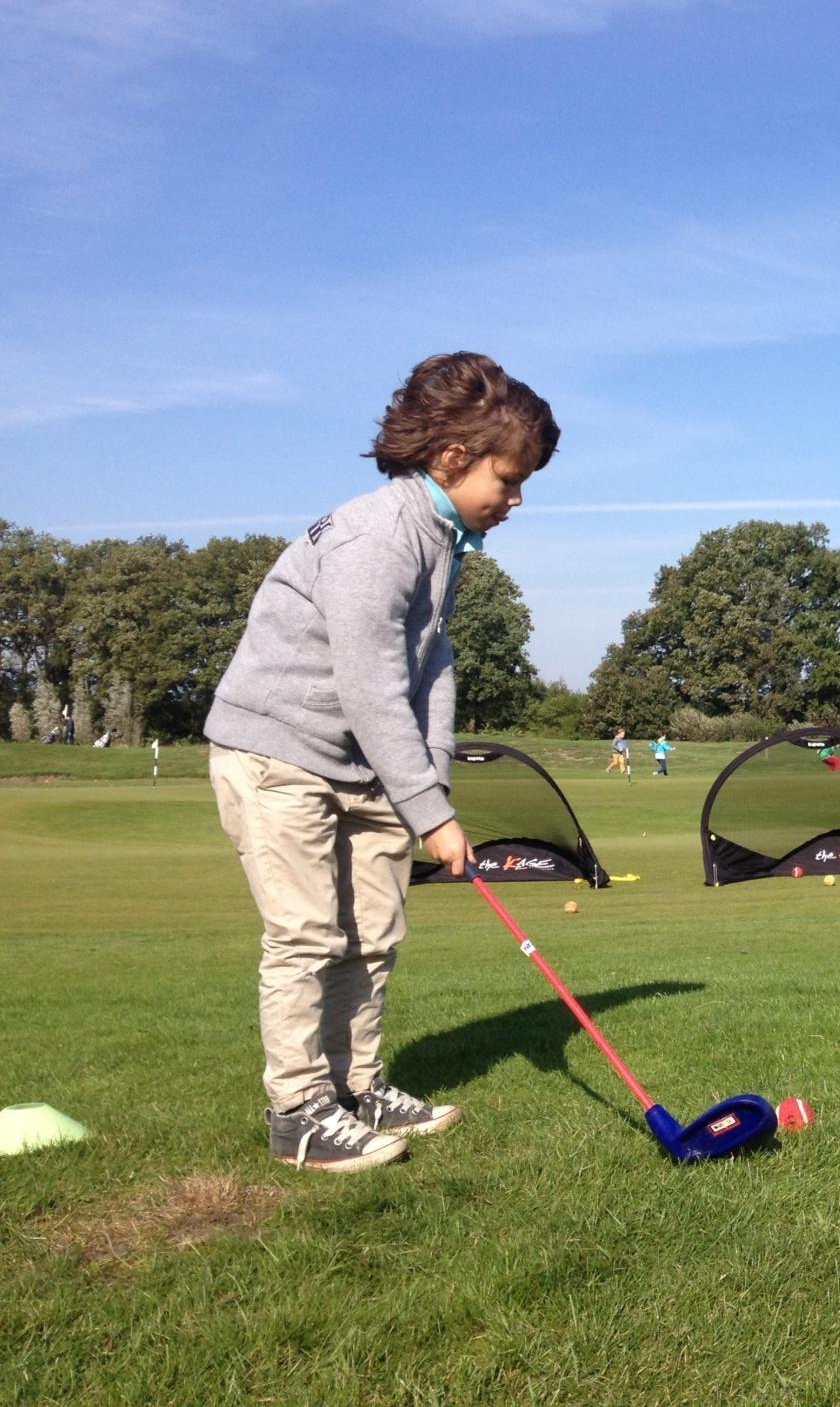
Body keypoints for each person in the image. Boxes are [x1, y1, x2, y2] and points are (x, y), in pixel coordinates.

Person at [205, 352, 559, 1173]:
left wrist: (432, 789)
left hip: (360, 764)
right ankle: (299, 1114)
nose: (516, 500)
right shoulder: (378, 537)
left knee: (373, 934)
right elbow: (368, 687)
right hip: (277, 753)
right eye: (509, 480)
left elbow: (431, 665)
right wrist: (431, 816)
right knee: (306, 936)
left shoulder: (445, 540)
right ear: (454, 458)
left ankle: (355, 1087)